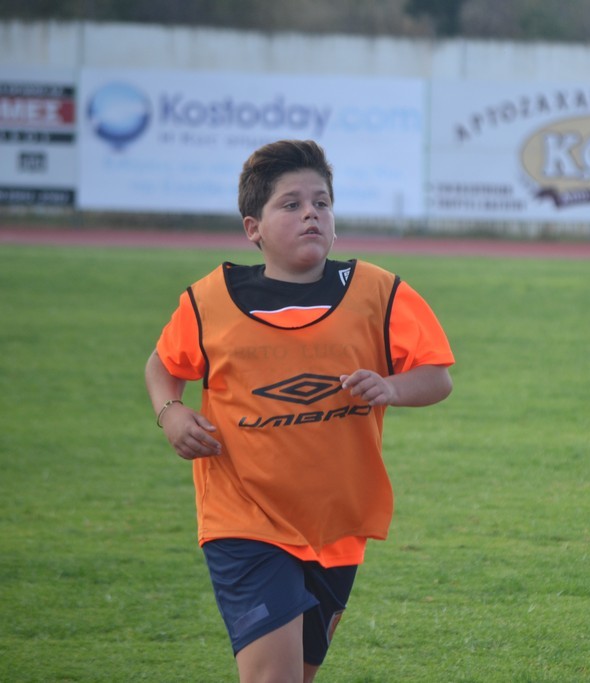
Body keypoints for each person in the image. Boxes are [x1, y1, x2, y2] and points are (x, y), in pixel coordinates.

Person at [144, 139, 454, 683]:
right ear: (253, 228)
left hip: (337, 525)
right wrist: (170, 410)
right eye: (291, 204)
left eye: (321, 203)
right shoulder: (209, 301)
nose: (311, 213)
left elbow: (437, 377)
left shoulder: (378, 293)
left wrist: (390, 387)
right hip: (243, 520)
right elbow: (162, 364)